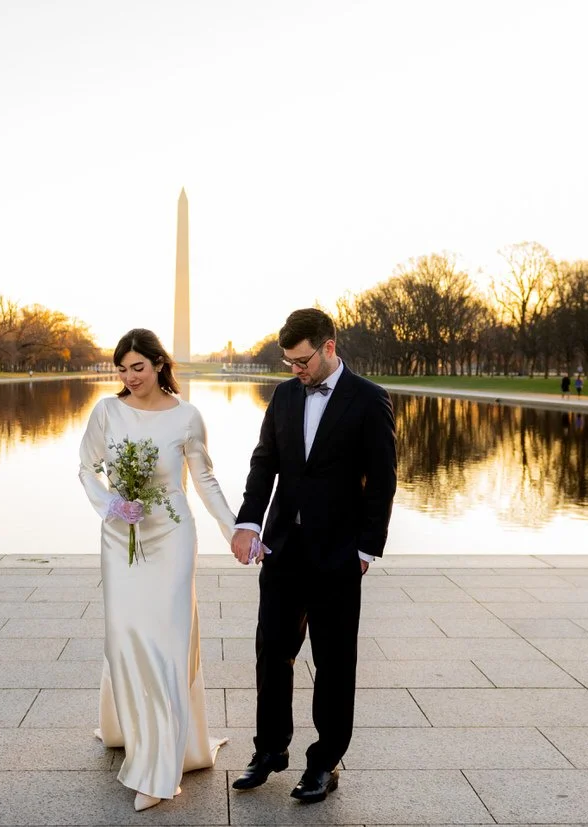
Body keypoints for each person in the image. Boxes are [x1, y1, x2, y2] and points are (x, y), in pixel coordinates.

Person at [230, 308, 397, 805]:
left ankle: (324, 762)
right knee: (272, 653)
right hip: (283, 550)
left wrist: (367, 548)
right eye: (289, 362)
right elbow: (265, 464)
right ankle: (269, 751)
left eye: (302, 361)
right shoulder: (282, 395)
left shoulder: (369, 400)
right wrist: (247, 522)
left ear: (328, 348)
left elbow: (383, 480)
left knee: (333, 662)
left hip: (339, 555)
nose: (295, 370)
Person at [78, 328, 235, 811]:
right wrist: (109, 506)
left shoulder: (187, 417)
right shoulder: (106, 411)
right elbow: (87, 468)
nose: (130, 377)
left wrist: (235, 531)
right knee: (125, 639)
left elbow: (204, 479)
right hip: (121, 533)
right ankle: (129, 728)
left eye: (138, 367)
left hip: (171, 532)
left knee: (166, 643)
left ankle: (160, 767)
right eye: (122, 369)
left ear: (159, 364)